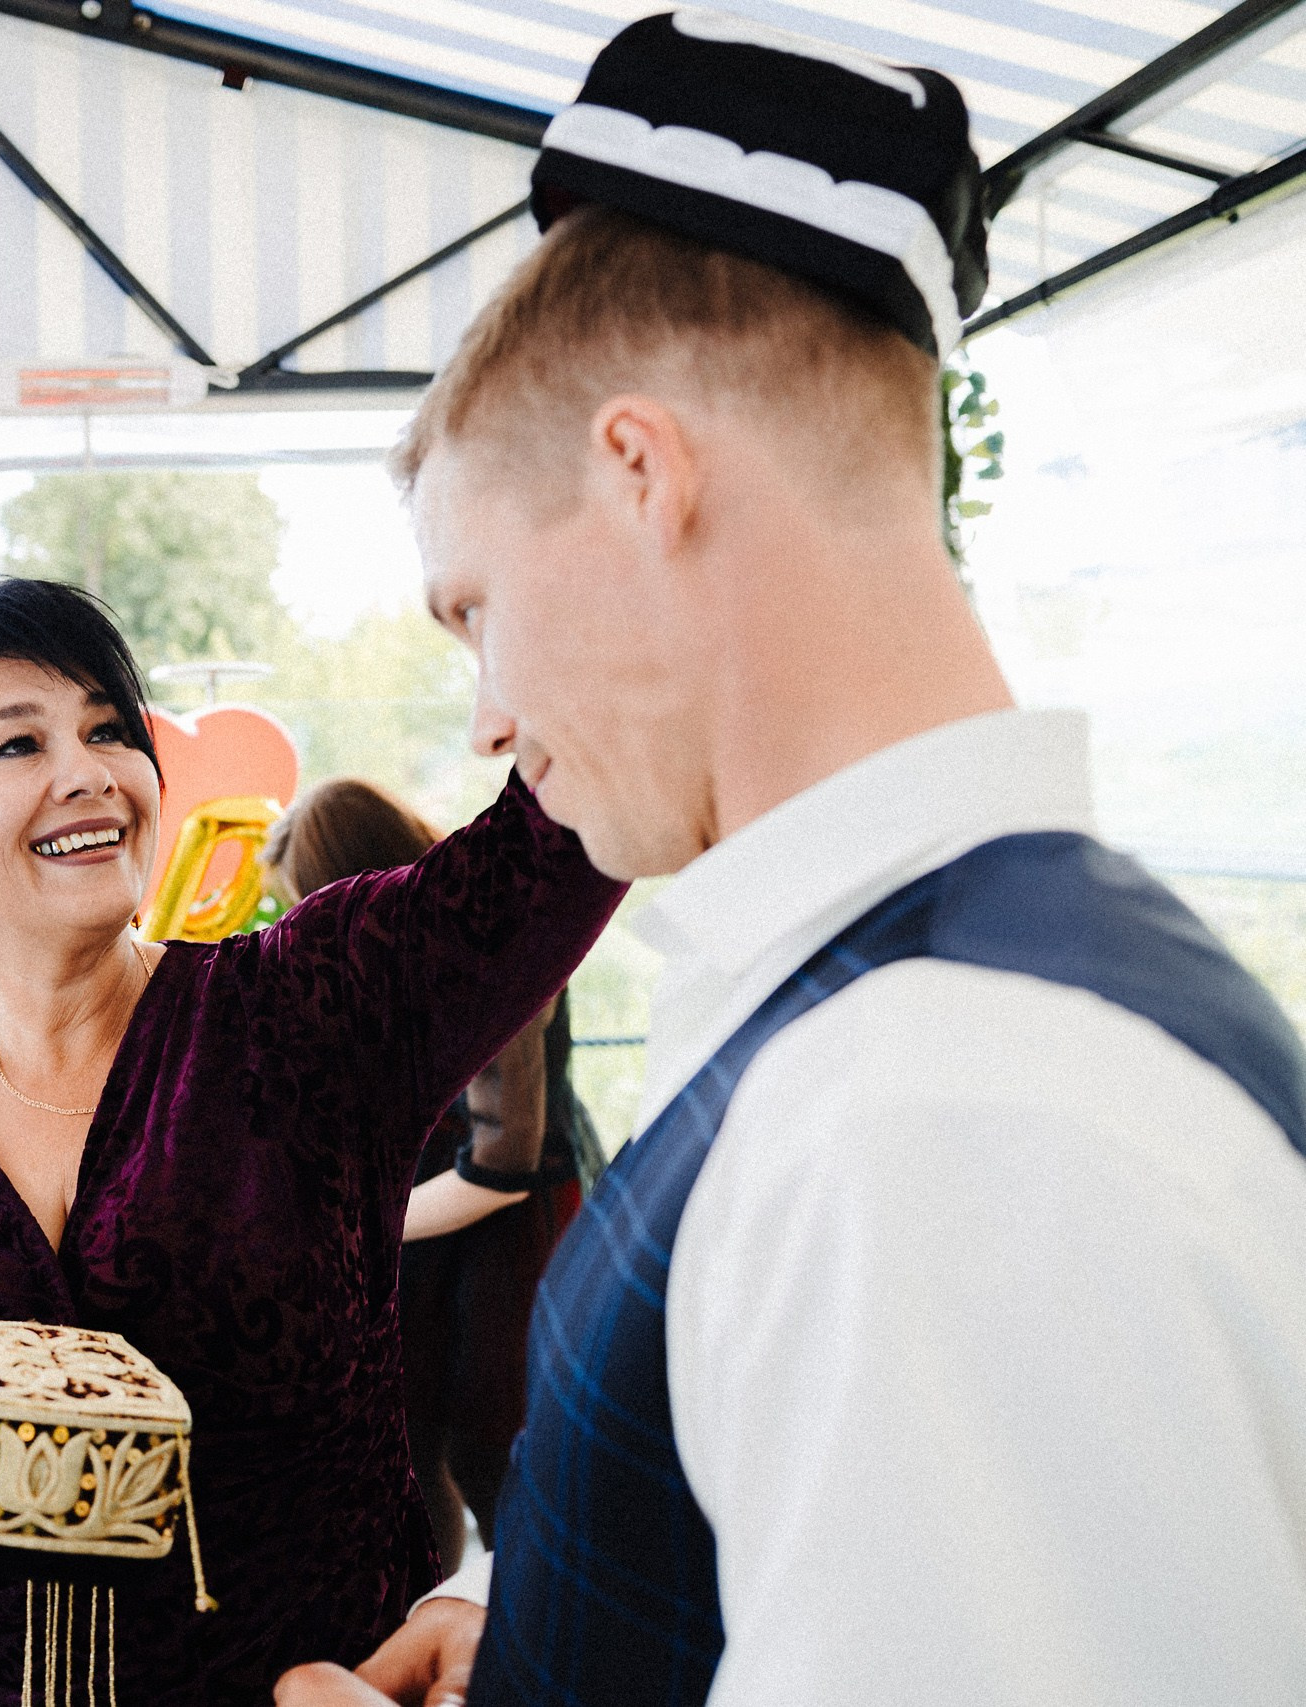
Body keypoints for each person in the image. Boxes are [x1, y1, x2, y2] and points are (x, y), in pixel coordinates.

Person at [278, 14, 1306, 1707]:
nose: (486, 718)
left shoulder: (939, 1118)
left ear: (637, 475)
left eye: (476, 610)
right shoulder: (945, 1006)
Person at [0, 575, 624, 1705]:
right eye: (16, 746)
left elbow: (555, 846)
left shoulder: (307, 1012)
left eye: (107, 729)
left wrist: (551, 596)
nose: (88, 771)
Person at [261, 779, 594, 1567]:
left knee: (493, 1454)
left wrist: (353, 1217)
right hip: (441, 1219)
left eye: (309, 901)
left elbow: (502, 1163)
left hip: (508, 1222)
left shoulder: (485, 941)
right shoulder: (406, 952)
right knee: (409, 1449)